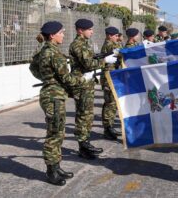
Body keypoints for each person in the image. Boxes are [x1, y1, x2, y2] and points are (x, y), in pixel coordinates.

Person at [29, 21, 86, 186]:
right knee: (54, 134)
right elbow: (67, 79)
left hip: (52, 95)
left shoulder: (44, 51)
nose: (63, 35)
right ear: (52, 35)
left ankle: (56, 166)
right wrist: (82, 79)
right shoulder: (53, 54)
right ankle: (51, 171)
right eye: (61, 32)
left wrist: (47, 79)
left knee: (58, 133)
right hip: (53, 97)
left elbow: (33, 68)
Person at [69, 19, 116, 159]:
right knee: (83, 115)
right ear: (80, 31)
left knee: (88, 115)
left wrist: (99, 58)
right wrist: (104, 61)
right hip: (81, 84)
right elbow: (88, 64)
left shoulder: (84, 44)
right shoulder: (77, 45)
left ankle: (85, 143)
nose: (92, 31)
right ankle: (83, 146)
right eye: (89, 29)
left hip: (87, 84)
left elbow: (89, 60)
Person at [101, 27, 123, 140]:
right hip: (109, 77)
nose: (117, 37)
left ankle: (109, 127)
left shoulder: (111, 44)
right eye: (115, 36)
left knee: (112, 103)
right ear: (109, 35)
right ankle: (107, 128)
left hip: (112, 76)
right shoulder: (110, 45)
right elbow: (120, 55)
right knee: (110, 104)